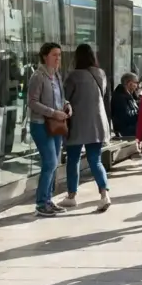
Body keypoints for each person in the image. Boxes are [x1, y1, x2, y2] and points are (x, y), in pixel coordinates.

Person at [58, 44, 112, 212]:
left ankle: (72, 196)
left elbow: (64, 98)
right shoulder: (101, 74)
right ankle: (104, 195)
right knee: (95, 160)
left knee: (73, 159)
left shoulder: (73, 76)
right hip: (98, 123)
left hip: (78, 124)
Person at [26, 42, 71, 217]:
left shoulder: (57, 76)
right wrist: (53, 112)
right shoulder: (38, 76)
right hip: (41, 124)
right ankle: (41, 203)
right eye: (54, 55)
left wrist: (67, 105)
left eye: (59, 55)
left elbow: (61, 97)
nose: (58, 58)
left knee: (54, 163)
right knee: (50, 162)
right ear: (45, 56)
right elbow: (32, 102)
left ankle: (48, 200)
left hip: (57, 125)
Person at [110, 72, 140, 138]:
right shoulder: (120, 97)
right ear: (129, 83)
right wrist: (141, 114)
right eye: (136, 83)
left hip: (130, 127)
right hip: (125, 130)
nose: (137, 86)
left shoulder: (129, 95)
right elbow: (126, 117)